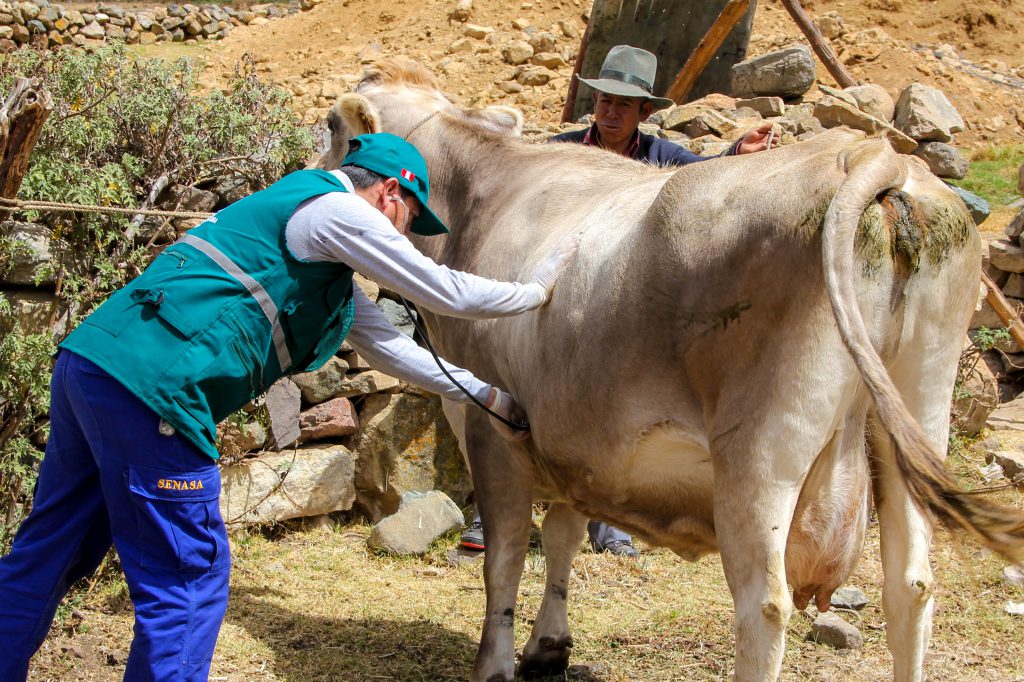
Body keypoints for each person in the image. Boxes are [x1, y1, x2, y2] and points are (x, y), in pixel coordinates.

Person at [0, 132, 578, 681]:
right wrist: (535, 291)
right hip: (152, 394)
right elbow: (442, 291)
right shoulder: (336, 210)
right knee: (189, 579)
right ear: (389, 192)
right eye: (409, 220)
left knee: (51, 549)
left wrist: (484, 395)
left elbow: (391, 348)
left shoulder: (314, 242)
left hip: (92, 366)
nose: (405, 237)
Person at [461, 44, 776, 559]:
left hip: (612, 316)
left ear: (644, 114)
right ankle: (488, 512)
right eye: (604, 100)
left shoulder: (663, 159)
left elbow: (701, 187)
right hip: (546, 307)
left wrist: (731, 159)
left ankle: (611, 524)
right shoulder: (559, 154)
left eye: (623, 105)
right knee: (509, 399)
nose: (609, 111)